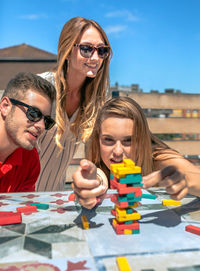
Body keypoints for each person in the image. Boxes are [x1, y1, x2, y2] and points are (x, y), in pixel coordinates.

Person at [72, 96, 200, 209]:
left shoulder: (158, 159)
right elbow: (99, 174)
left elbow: (192, 176)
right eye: (108, 140)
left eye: (129, 140)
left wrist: (186, 180)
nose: (117, 151)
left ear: (142, 140)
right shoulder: (97, 156)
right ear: (98, 139)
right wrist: (94, 182)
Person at [36, 16, 112, 191]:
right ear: (68, 51)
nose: (95, 57)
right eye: (86, 49)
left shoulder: (96, 102)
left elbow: (98, 159)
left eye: (102, 51)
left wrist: (98, 180)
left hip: (54, 200)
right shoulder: (39, 88)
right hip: (16, 198)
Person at [0, 72, 56, 192]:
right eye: (34, 113)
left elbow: (21, 210)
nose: (41, 126)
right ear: (5, 106)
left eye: (47, 121)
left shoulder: (30, 160)